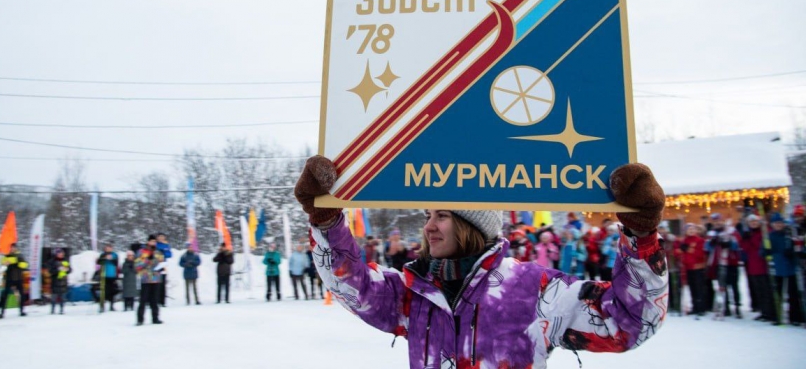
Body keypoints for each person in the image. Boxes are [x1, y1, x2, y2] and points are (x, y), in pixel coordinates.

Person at [295, 157, 667, 368]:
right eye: (428, 215)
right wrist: (326, 222)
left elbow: (628, 324)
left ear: (470, 223)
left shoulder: (534, 289)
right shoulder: (414, 293)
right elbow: (349, 284)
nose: (428, 227)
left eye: (441, 215)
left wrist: (642, 236)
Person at [766, 213, 804, 325]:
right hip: (777, 268)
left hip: (790, 267)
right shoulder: (770, 236)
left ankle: (795, 317)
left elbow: (797, 248)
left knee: (793, 293)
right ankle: (777, 315)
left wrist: (793, 252)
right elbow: (764, 250)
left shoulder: (788, 235)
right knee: (777, 293)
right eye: (776, 223)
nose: (778, 225)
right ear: (773, 224)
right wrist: (767, 252)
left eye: (780, 223)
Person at [740, 214, 777, 322]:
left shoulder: (764, 232)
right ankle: (763, 311)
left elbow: (760, 246)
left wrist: (751, 239)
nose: (753, 224)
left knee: (766, 290)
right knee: (758, 290)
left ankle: (771, 312)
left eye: (755, 221)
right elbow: (745, 248)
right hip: (752, 266)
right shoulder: (749, 233)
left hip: (763, 265)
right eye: (751, 222)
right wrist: (745, 239)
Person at [706, 224, 742, 318]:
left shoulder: (733, 236)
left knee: (734, 287)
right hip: (720, 265)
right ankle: (725, 307)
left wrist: (730, 244)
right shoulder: (716, 237)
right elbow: (708, 247)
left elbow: (736, 246)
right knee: (722, 287)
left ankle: (737, 307)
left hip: (732, 265)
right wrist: (713, 242)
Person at [135, 235, 165, 325]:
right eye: (152, 241)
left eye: (155, 242)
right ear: (148, 242)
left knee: (155, 300)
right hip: (145, 278)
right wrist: (147, 260)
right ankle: (140, 319)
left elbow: (162, 263)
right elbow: (138, 265)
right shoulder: (141, 251)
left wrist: (161, 267)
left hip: (156, 278)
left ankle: (155, 318)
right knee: (143, 300)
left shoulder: (158, 252)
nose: (153, 243)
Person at [680, 224, 708, 316]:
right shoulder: (685, 240)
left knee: (699, 288)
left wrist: (689, 249)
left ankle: (701, 308)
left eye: (693, 229)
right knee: (692, 288)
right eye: (689, 229)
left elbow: (701, 253)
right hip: (688, 268)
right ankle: (695, 306)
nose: (691, 230)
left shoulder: (700, 240)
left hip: (698, 268)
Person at [0, 243, 28, 319]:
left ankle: (21, 311)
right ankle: (2, 312)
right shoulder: (7, 255)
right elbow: (2, 263)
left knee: (21, 295)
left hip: (18, 278)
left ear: (16, 248)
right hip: (9, 278)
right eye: (11, 248)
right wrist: (6, 263)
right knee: (5, 295)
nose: (12, 249)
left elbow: (25, 265)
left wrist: (17, 262)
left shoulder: (20, 255)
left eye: (14, 248)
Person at [96, 243, 120, 312]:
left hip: (112, 275)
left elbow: (116, 263)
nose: (109, 249)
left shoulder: (115, 255)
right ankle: (102, 306)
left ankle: (111, 306)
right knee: (103, 291)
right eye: (107, 248)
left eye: (110, 247)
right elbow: (99, 262)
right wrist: (104, 258)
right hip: (104, 276)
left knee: (113, 291)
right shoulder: (102, 254)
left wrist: (111, 259)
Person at [155, 233, 173, 307]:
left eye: (163, 237)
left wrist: (164, 253)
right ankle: (156, 300)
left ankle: (162, 301)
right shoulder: (155, 244)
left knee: (163, 284)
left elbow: (170, 254)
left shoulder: (166, 245)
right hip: (156, 265)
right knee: (156, 284)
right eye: (160, 237)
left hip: (163, 265)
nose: (161, 238)